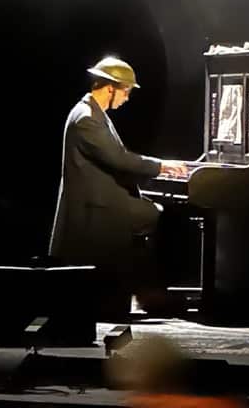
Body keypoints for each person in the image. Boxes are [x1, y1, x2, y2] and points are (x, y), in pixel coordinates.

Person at [48, 56, 189, 310]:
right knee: (158, 216)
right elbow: (119, 159)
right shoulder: (87, 118)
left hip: (103, 197)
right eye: (126, 92)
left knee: (153, 214)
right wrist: (162, 166)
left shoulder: (93, 112)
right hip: (96, 205)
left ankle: (143, 287)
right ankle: (150, 292)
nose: (127, 98)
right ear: (111, 88)